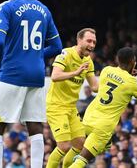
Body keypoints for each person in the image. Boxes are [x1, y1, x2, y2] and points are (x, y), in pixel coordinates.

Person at [0, 0, 62, 168]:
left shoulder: (7, 7)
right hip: (37, 75)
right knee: (35, 126)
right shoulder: (44, 9)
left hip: (12, 73)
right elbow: (57, 47)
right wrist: (36, 56)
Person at [68, 47, 137, 168]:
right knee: (82, 160)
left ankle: (105, 145)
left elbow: (116, 84)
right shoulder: (133, 83)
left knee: (78, 151)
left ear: (118, 60)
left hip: (88, 118)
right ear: (133, 61)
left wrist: (129, 75)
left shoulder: (106, 70)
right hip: (103, 127)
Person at [46, 28, 98, 168]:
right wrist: (76, 72)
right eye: (88, 41)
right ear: (79, 40)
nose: (92, 45)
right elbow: (55, 76)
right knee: (63, 146)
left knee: (80, 145)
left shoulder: (88, 61)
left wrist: (118, 82)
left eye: (94, 42)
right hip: (56, 106)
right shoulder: (66, 54)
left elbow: (94, 87)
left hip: (71, 107)